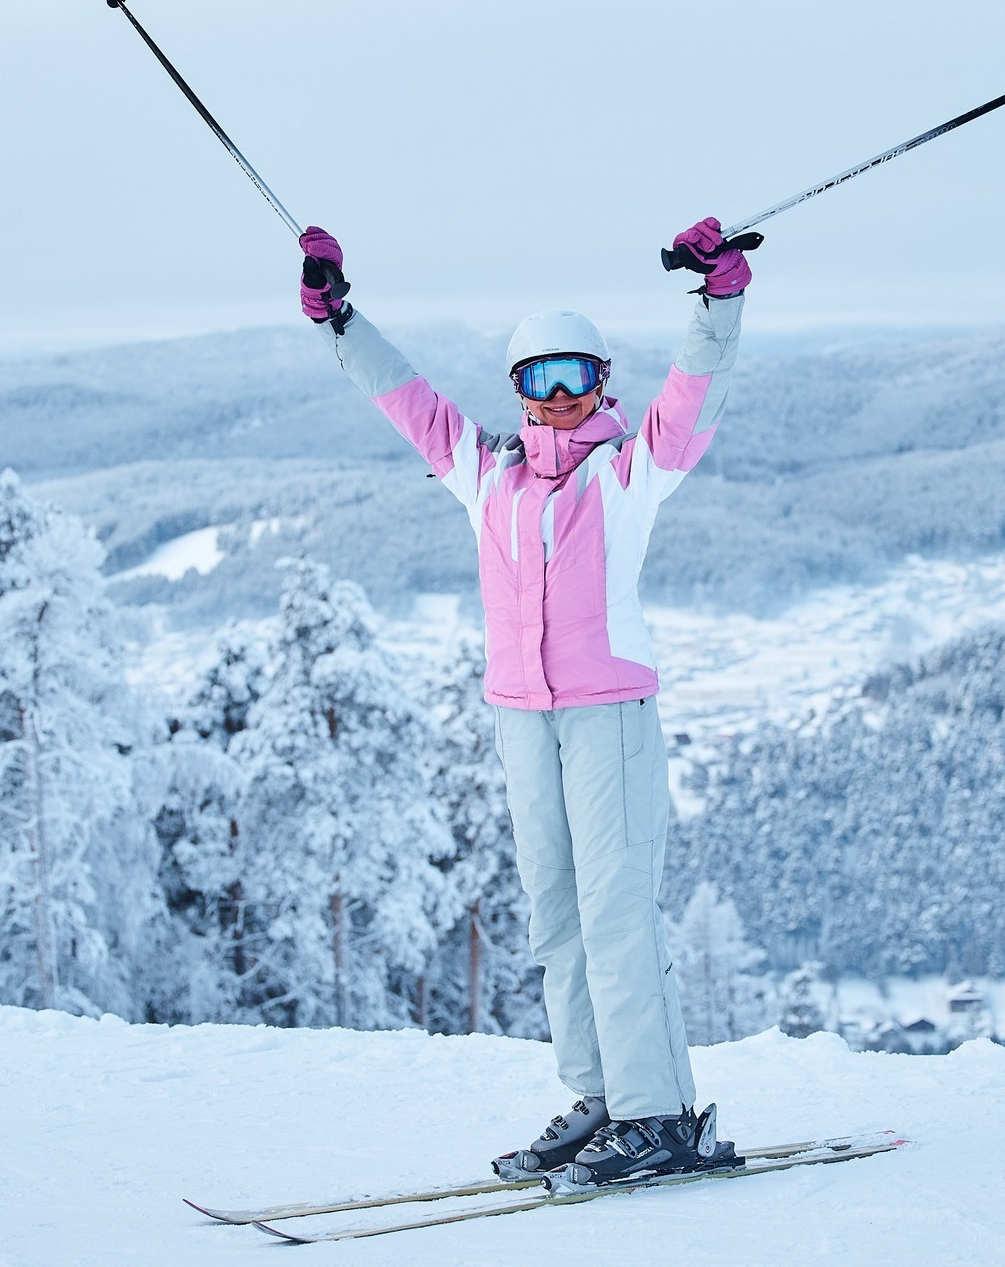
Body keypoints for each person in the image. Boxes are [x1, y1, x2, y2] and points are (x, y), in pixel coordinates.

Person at [298, 218, 751, 1188]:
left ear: (599, 387)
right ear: (516, 391)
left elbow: (690, 402)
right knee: (557, 917)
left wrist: (717, 297)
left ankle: (657, 1115)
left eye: (574, 379)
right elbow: (404, 401)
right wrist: (339, 318)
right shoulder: (488, 478)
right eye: (537, 381)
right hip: (519, 718)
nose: (556, 399)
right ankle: (600, 1101)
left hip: (606, 718)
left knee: (616, 910)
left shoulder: (625, 475)